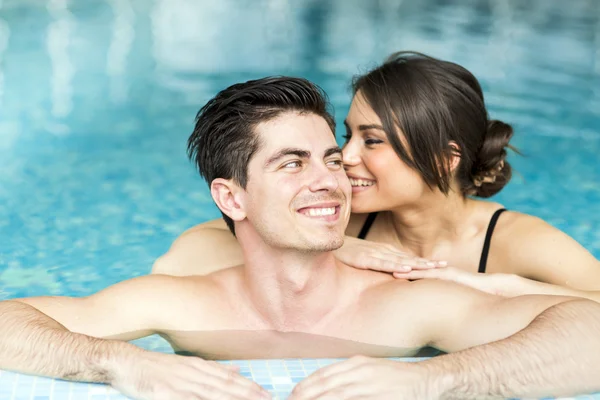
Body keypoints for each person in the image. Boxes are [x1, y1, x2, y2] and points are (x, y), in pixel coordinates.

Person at [1, 77, 600, 400]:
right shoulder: (181, 300)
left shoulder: (407, 304)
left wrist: (432, 379)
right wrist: (121, 365)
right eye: (292, 163)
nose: (331, 178)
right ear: (231, 198)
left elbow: (590, 331)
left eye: (330, 159)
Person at [153, 52, 600, 301]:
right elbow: (186, 256)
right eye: (348, 136)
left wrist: (491, 287)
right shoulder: (342, 224)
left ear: (446, 158)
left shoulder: (512, 242)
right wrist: (347, 246)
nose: (342, 158)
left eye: (372, 141)